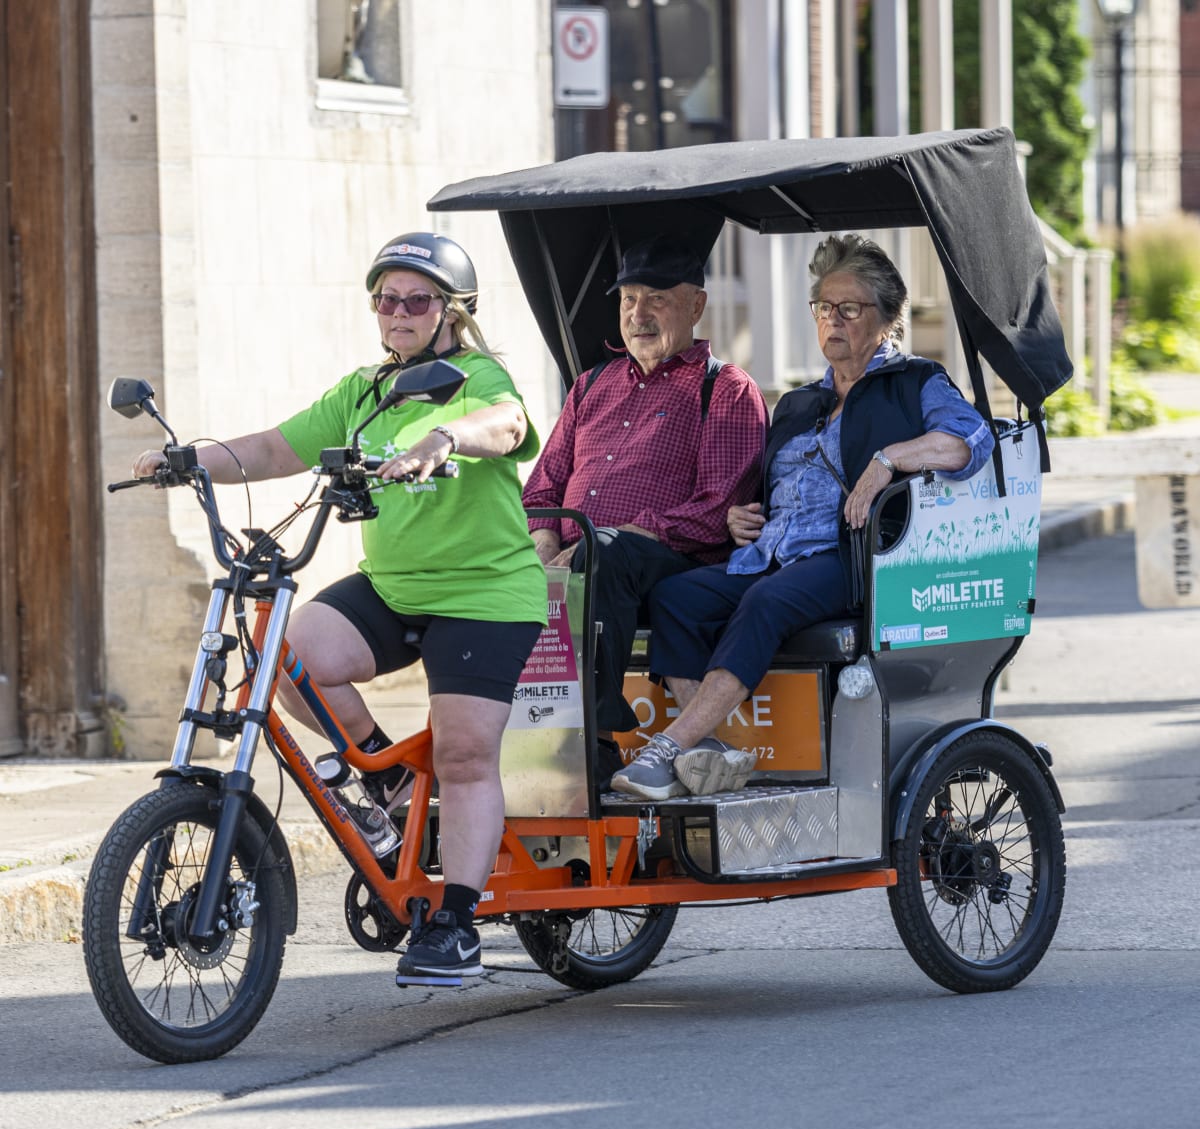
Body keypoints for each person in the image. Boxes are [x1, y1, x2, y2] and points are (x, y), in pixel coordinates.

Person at [133, 232, 546, 981]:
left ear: (453, 312)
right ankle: (388, 785)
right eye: (385, 300)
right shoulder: (365, 390)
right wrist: (190, 458)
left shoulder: (478, 379)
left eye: (415, 300)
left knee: (462, 754)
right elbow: (272, 449)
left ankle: (454, 924)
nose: (397, 312)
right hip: (395, 587)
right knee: (286, 657)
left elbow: (507, 427)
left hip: (485, 593)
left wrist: (448, 435)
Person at [611, 233, 996, 801]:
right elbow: (764, 488)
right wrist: (741, 517)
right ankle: (706, 750)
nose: (832, 320)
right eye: (823, 308)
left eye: (849, 308)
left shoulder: (915, 383)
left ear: (887, 318)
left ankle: (668, 751)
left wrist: (891, 459)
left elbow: (970, 440)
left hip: (855, 556)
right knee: (676, 598)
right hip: (773, 553)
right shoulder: (797, 404)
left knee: (768, 603)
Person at [521, 234, 768, 789]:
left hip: (670, 563)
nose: (639, 314)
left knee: (609, 550)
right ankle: (471, 742)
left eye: (657, 299)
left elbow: (716, 511)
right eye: (629, 299)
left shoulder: (725, 390)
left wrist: (613, 535)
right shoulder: (590, 385)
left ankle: (596, 735)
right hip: (576, 557)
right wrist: (545, 549)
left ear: (696, 306)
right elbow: (539, 490)